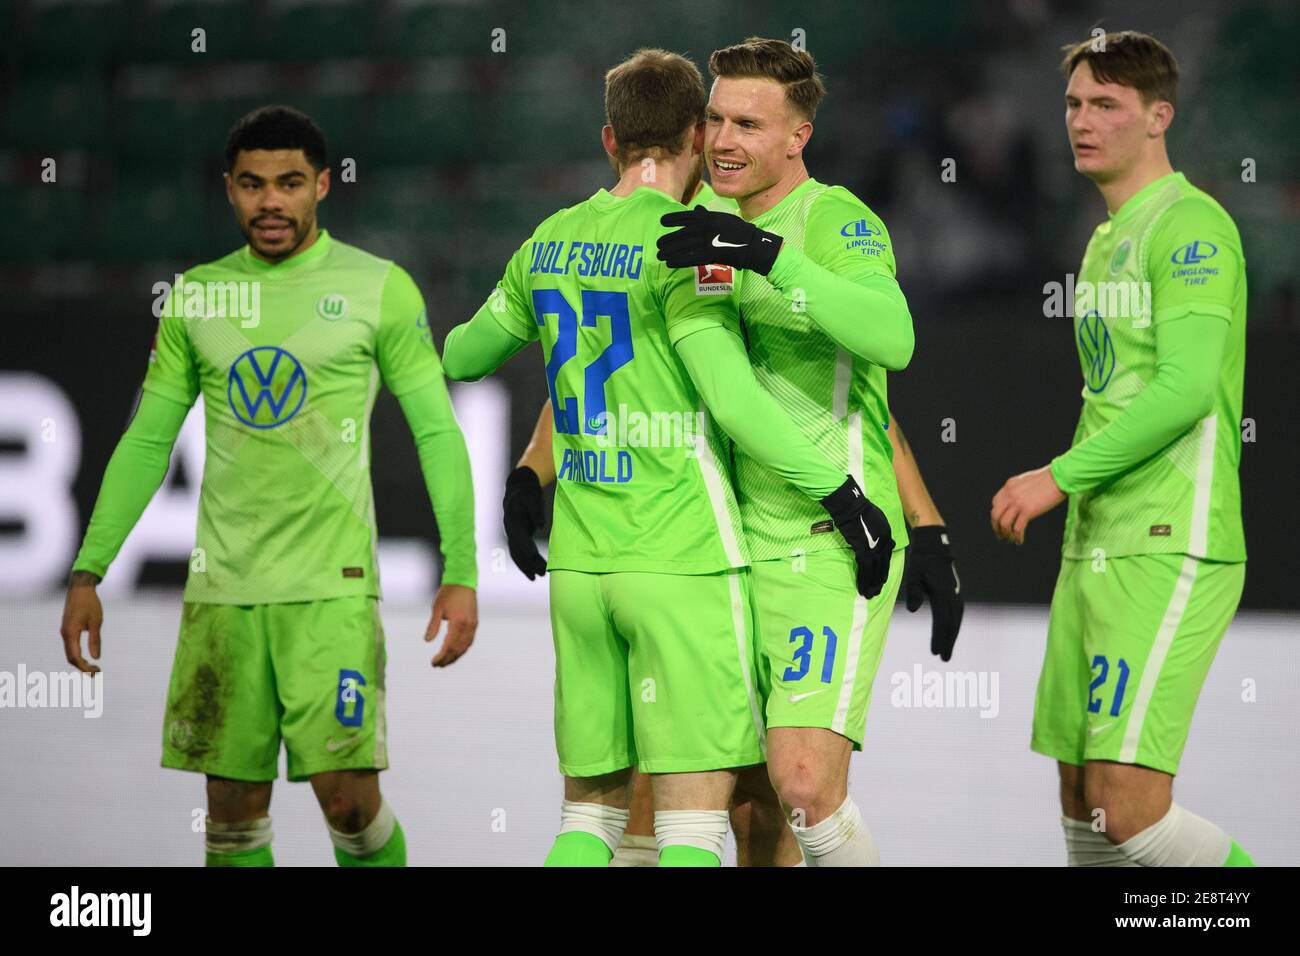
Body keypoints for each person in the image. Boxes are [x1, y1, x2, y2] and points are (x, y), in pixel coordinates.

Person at [442, 49, 883, 866]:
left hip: (580, 566)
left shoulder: (549, 238)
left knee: (591, 821)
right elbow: (735, 401)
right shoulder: (688, 242)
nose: (723, 138)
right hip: (685, 560)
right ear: (693, 131)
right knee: (690, 825)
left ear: (609, 138)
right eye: (716, 123)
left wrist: (530, 467)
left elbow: (465, 355)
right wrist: (843, 493)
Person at [59, 106, 478, 866]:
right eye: (253, 185)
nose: (271, 202)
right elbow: (148, 440)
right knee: (232, 815)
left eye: (289, 183)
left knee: (349, 802)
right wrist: (89, 569)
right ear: (229, 190)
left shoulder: (378, 289)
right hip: (222, 593)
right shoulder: (197, 297)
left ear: (322, 185)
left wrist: (461, 570)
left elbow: (438, 432)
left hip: (332, 592)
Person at [991, 32, 1253, 866]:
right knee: (1082, 803)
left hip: (1171, 539)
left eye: (1106, 104)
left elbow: (1183, 390)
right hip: (1100, 546)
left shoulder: (1192, 226)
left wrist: (1056, 478)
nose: (1082, 121)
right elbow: (1113, 396)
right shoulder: (1107, 238)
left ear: (1158, 116)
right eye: (1073, 103)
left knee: (1129, 808)